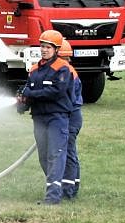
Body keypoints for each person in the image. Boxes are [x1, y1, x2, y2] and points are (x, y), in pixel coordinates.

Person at [15, 29, 74, 205]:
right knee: (43, 156)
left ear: (56, 49)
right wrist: (23, 102)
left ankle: (53, 197)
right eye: (42, 46)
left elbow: (56, 92)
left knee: (55, 154)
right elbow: (28, 90)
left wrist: (30, 94)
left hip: (57, 117)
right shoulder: (34, 70)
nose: (44, 50)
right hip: (39, 118)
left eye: (48, 47)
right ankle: (57, 189)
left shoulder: (62, 68)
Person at [58, 40, 82, 200]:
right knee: (68, 151)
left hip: (70, 116)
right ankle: (72, 186)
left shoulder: (67, 73)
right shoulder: (65, 71)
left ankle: (68, 190)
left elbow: (64, 97)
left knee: (68, 152)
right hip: (68, 115)